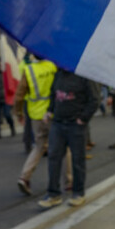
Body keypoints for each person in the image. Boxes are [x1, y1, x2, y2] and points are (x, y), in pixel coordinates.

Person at [39, 69, 99, 208]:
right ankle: (53, 194)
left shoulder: (85, 75)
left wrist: (83, 119)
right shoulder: (58, 74)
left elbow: (95, 99)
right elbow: (54, 95)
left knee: (78, 160)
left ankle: (78, 193)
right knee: (53, 158)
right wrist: (49, 111)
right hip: (58, 123)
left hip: (76, 125)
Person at [14, 55, 71, 195]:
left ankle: (24, 177)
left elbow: (19, 95)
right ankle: (69, 182)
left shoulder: (28, 70)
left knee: (39, 146)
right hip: (54, 113)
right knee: (64, 147)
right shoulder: (53, 66)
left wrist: (19, 113)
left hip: (36, 115)